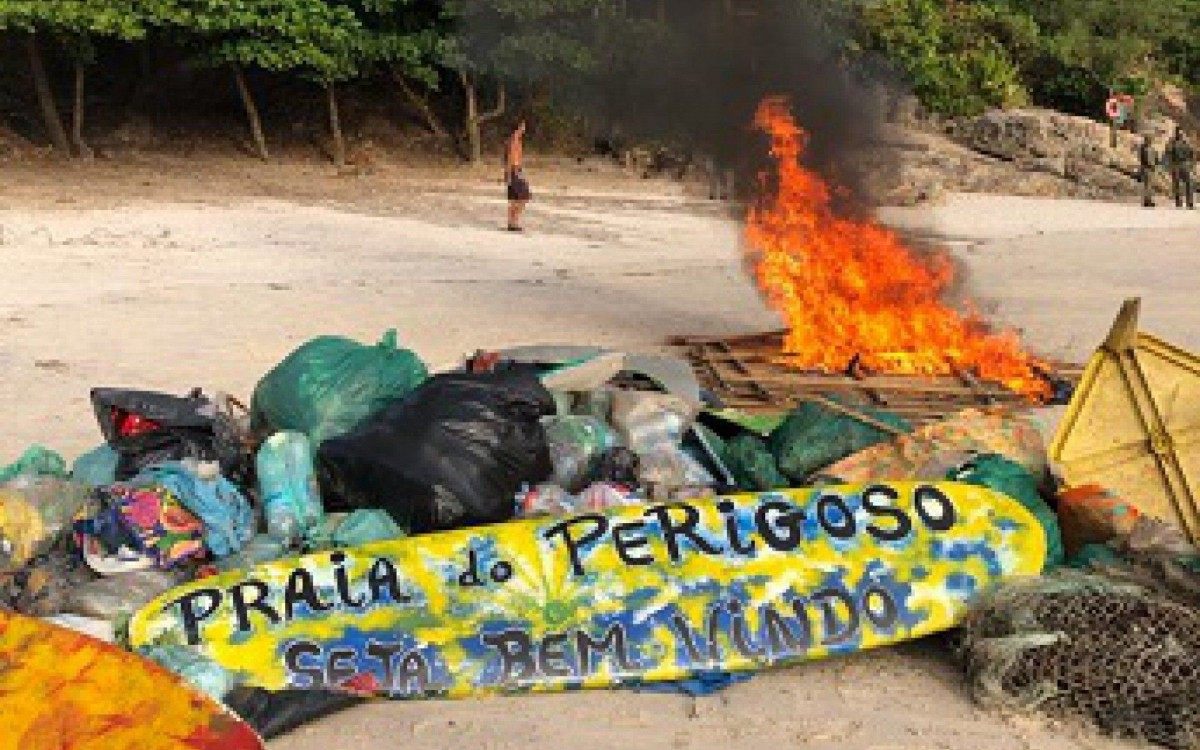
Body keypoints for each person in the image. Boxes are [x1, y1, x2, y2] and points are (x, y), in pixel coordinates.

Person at [504, 118, 531, 231]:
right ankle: (513, 222)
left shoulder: (515, 140)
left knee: (516, 198)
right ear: (518, 127)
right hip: (515, 171)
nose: (524, 129)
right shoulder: (513, 141)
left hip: (516, 170)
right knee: (523, 197)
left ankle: (512, 222)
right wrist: (509, 174)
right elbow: (510, 158)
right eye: (523, 126)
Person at [1164, 127, 1195, 209]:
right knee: (1177, 184)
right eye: (1179, 132)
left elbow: (1191, 153)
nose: (1180, 134)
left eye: (1181, 132)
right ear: (1176, 133)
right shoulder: (1172, 143)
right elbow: (1167, 154)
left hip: (1185, 164)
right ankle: (1179, 202)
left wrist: (1191, 164)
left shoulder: (1186, 143)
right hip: (1176, 165)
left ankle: (1190, 202)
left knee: (1189, 183)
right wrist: (1168, 166)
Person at [1138, 134, 1158, 208]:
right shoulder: (1147, 149)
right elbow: (1150, 160)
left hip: (1145, 167)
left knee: (1146, 185)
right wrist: (1152, 166)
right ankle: (1148, 200)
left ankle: (1147, 200)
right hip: (1148, 168)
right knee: (1148, 185)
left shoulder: (1143, 148)